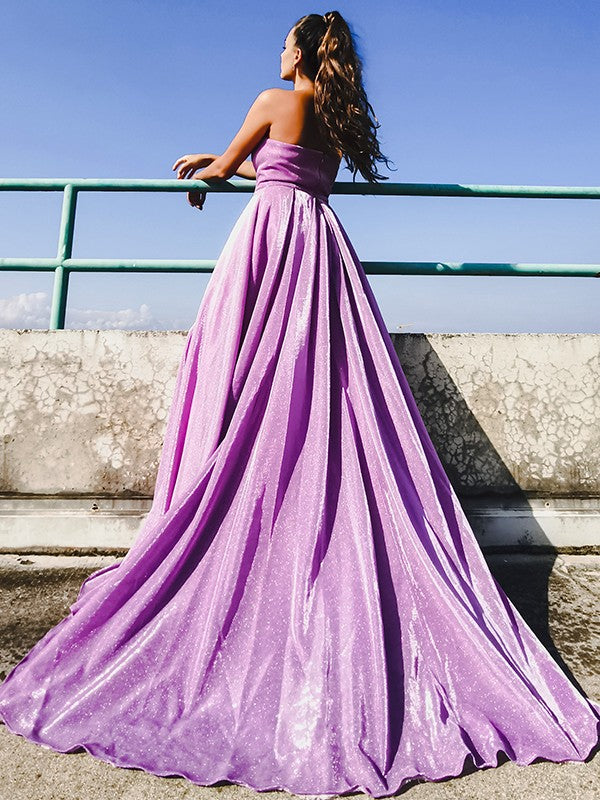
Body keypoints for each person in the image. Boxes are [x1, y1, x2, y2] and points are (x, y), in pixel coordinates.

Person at [0, 10, 598, 799]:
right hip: (319, 250)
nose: (276, 50)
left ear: (304, 49)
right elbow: (286, 172)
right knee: (318, 389)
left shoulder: (271, 98)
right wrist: (232, 162)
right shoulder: (335, 121)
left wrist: (212, 167)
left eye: (285, 39)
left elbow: (235, 174)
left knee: (242, 378)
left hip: (267, 247)